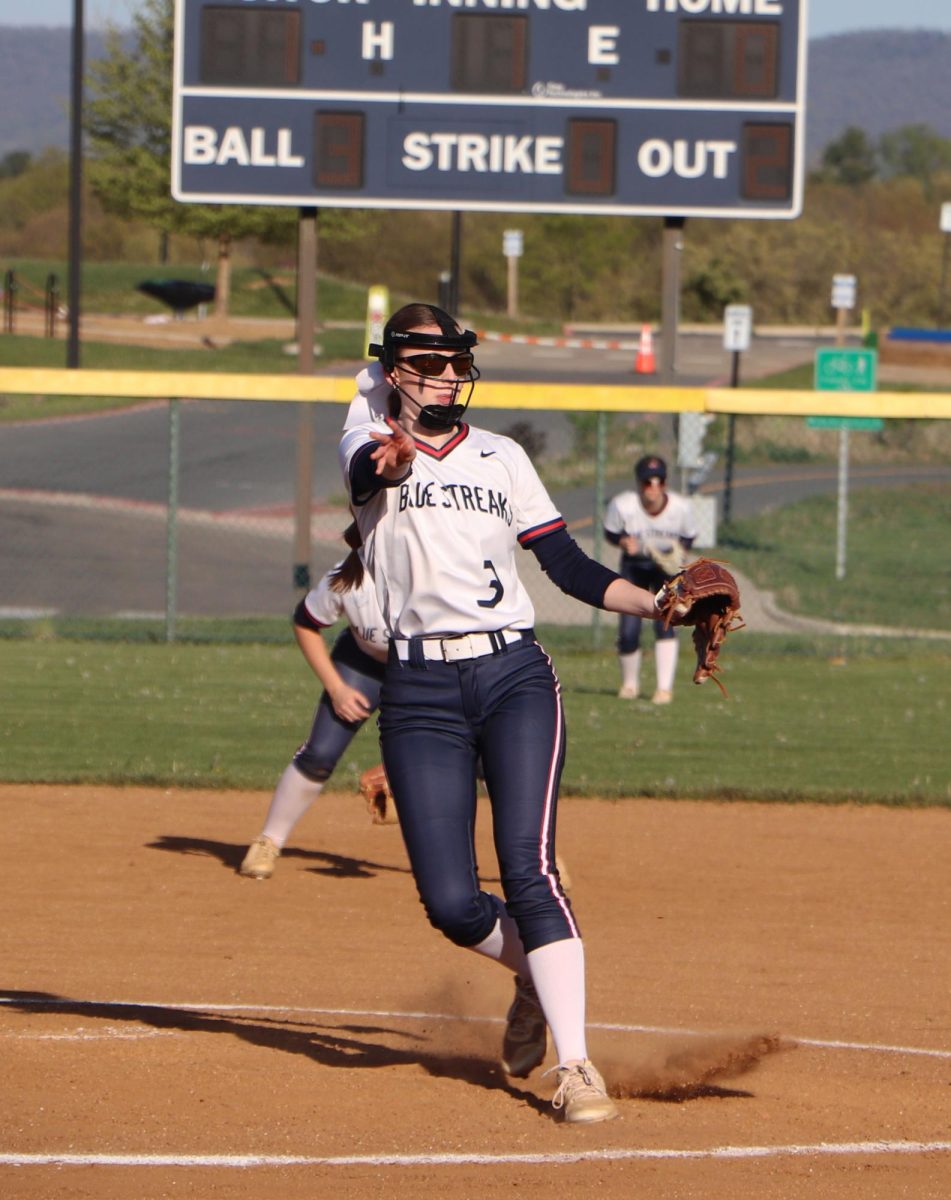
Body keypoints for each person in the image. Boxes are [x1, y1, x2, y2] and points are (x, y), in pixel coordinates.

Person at [338, 302, 672, 1125]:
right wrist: (387, 456)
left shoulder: (501, 456)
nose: (448, 375)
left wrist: (659, 600)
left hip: (512, 672)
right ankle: (531, 974)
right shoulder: (365, 440)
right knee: (451, 903)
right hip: (417, 692)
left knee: (527, 870)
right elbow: (364, 473)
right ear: (393, 371)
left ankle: (576, 1066)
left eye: (457, 363)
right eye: (430, 363)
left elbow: (565, 563)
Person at [239, 523, 388, 880]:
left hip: (429, 668)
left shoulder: (435, 573)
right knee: (320, 753)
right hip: (362, 663)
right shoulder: (350, 578)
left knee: (481, 758)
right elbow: (305, 621)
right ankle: (268, 841)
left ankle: (531, 860)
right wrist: (336, 688)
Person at [603, 454, 697, 705]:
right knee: (629, 628)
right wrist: (623, 541)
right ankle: (630, 685)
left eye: (659, 481)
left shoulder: (680, 507)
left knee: (666, 621)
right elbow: (610, 532)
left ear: (665, 483)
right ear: (638, 483)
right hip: (635, 567)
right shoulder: (624, 505)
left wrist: (680, 551)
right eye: (647, 482)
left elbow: (689, 535)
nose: (653, 488)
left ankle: (664, 689)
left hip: (666, 569)